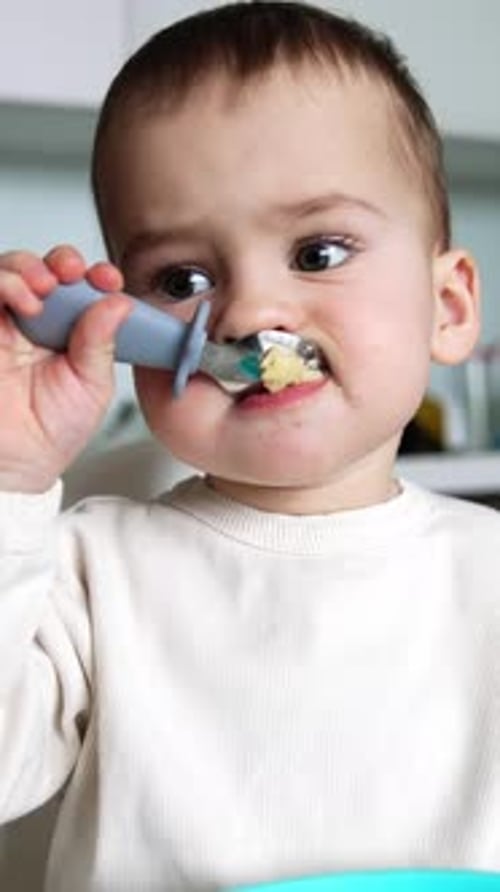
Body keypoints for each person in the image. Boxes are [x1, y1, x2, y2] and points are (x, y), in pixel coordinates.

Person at [0, 2, 498, 890]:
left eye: (317, 252)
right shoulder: (90, 567)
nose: (246, 313)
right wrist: (9, 476)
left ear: (450, 309)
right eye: (181, 280)